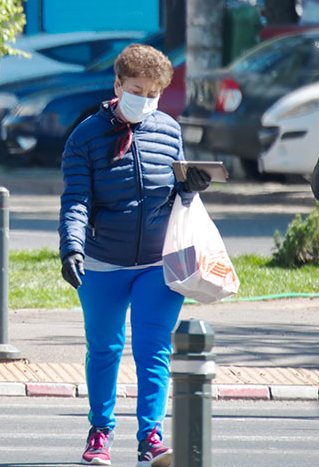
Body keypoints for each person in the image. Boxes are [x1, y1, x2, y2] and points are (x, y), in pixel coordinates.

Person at [59, 43, 212, 467]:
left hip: (158, 263)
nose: (144, 99)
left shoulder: (168, 129)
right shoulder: (85, 136)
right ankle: (100, 431)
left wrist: (192, 183)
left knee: (153, 349)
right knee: (105, 348)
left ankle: (151, 436)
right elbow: (75, 200)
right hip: (103, 262)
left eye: (152, 92)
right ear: (117, 85)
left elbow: (178, 192)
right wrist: (71, 246)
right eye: (136, 89)